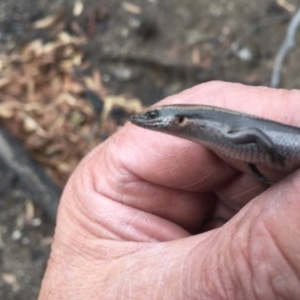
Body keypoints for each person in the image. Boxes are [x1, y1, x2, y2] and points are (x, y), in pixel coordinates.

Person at [38, 81, 300, 299]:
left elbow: (254, 134)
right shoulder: (217, 137)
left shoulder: (222, 132)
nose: (145, 120)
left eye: (154, 116)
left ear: (181, 119)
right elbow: (251, 138)